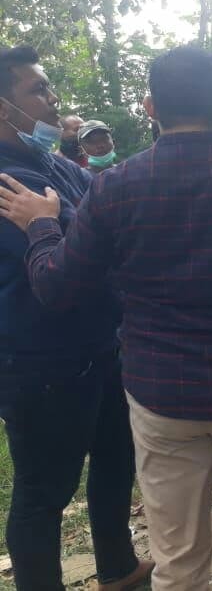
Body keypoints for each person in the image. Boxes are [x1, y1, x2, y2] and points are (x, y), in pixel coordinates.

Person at [0, 45, 212, 590]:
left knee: (178, 559)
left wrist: (41, 229)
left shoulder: (114, 186)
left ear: (150, 107)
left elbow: (57, 286)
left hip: (161, 397)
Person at [0, 45, 152, 591]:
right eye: (36, 89)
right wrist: (75, 226)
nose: (51, 98)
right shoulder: (4, 181)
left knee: (116, 459)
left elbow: (109, 220)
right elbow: (71, 262)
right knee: (45, 491)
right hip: (41, 361)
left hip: (100, 345)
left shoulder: (56, 165)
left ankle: (117, 566)